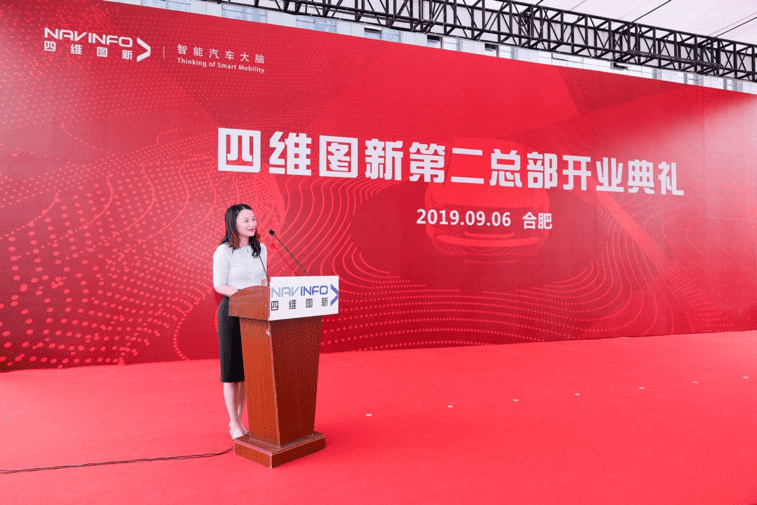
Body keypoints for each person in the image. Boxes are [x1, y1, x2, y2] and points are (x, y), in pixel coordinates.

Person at [213, 204, 268, 440]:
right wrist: (244, 298)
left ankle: (238, 418)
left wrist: (263, 305)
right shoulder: (224, 251)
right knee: (231, 371)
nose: (252, 224)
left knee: (246, 372)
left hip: (255, 313)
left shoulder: (260, 249)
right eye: (246, 220)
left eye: (253, 219)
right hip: (232, 312)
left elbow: (264, 281)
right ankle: (234, 424)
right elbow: (219, 285)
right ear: (233, 223)